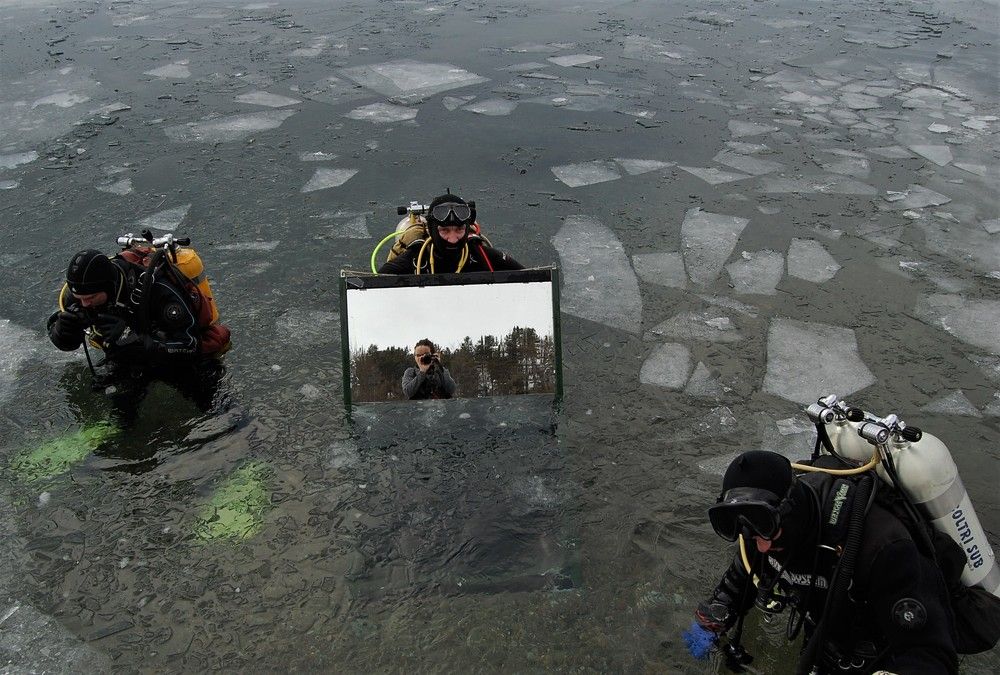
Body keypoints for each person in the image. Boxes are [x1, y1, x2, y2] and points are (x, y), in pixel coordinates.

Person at [691, 450, 958, 675]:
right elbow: (735, 589)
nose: (761, 545)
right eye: (738, 528)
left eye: (764, 528)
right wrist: (703, 631)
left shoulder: (882, 547)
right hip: (824, 645)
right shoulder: (759, 531)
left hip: (883, 654)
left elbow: (934, 654)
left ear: (790, 510)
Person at [47, 248, 229, 413]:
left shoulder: (157, 290)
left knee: (210, 401)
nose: (85, 304)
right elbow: (63, 338)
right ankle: (124, 434)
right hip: (129, 358)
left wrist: (141, 343)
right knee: (121, 403)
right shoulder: (80, 297)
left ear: (109, 286)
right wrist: (62, 332)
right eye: (80, 299)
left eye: (91, 298)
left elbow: (190, 345)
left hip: (170, 352)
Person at [378, 192, 524, 274]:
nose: (453, 239)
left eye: (460, 230)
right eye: (445, 231)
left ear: (467, 228)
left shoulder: (481, 255)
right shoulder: (416, 258)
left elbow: (528, 278)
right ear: (433, 230)